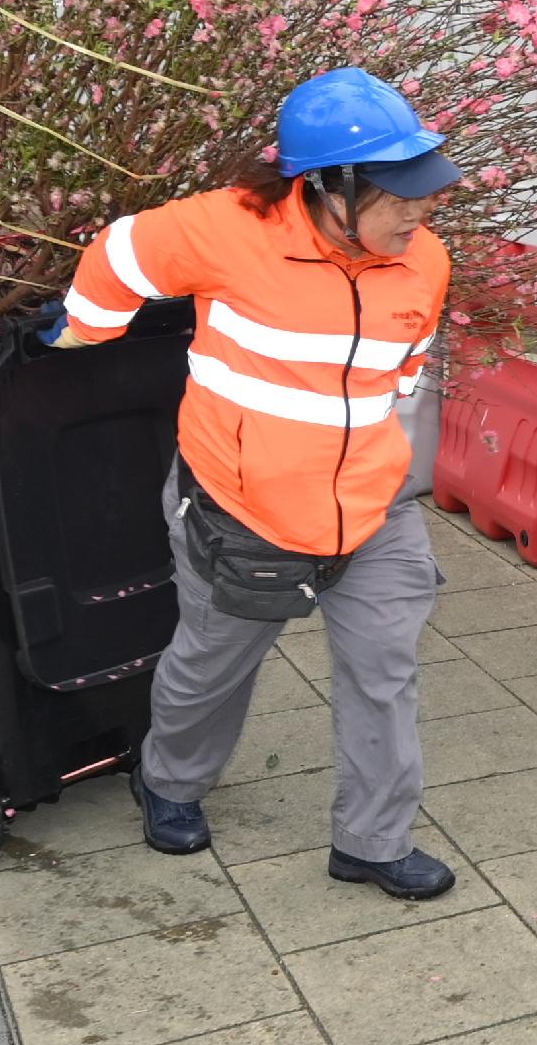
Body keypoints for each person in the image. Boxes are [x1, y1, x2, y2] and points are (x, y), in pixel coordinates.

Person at [50, 66, 460, 897]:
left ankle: (372, 841)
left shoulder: (425, 261)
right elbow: (119, 251)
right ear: (327, 187)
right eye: (399, 192)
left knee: (385, 672)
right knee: (213, 663)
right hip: (242, 509)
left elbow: (404, 367)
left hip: (369, 511)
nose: (421, 209)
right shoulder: (224, 230)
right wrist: (85, 329)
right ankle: (168, 780)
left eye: (425, 189)